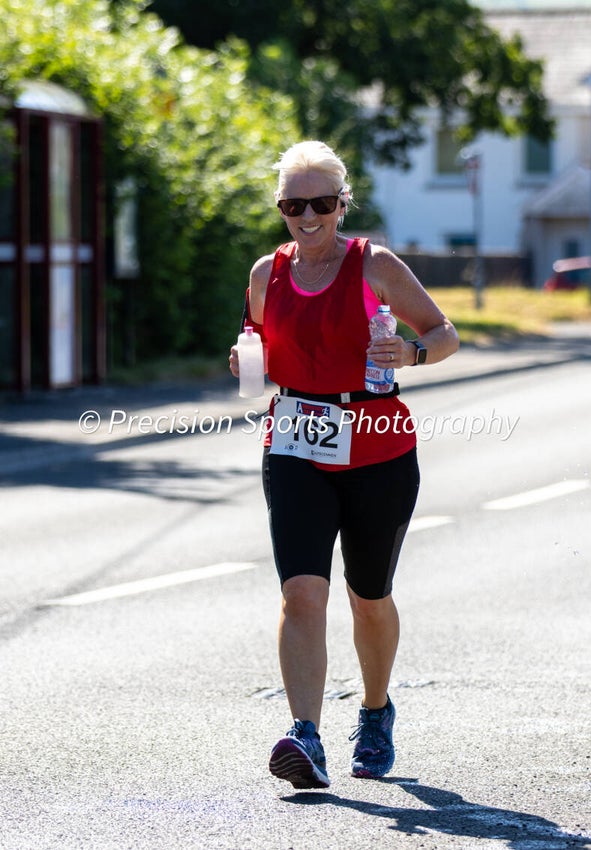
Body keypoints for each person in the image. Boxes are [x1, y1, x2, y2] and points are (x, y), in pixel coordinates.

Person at [229, 140, 459, 789]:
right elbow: (262, 349)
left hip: (378, 448)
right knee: (302, 593)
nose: (308, 216)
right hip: (296, 442)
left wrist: (409, 356)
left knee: (368, 598)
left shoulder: (374, 265)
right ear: (280, 207)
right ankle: (305, 736)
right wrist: (246, 363)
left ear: (342, 204)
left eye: (321, 203)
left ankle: (376, 711)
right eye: (293, 204)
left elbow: (445, 334)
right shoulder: (263, 276)